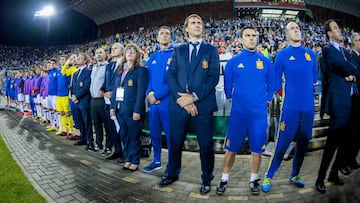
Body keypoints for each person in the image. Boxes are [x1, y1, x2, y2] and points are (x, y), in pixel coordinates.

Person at [159, 14, 220, 195]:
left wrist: (193, 97)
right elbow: (171, 75)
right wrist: (182, 100)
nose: (197, 25)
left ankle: (207, 178)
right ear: (186, 29)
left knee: (206, 144)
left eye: (199, 23)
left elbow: (213, 77)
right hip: (179, 105)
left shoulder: (211, 50)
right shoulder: (178, 50)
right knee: (175, 141)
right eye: (193, 23)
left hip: (203, 105)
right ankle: (172, 173)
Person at [216, 26, 275, 196]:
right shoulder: (234, 62)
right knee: (231, 149)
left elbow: (271, 83)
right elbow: (227, 85)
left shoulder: (265, 62)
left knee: (257, 149)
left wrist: (268, 98)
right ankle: (224, 178)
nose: (251, 38)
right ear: (240, 40)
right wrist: (231, 98)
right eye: (247, 35)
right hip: (238, 115)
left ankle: (253, 179)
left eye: (253, 35)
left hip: (258, 115)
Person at [261, 22, 318, 193]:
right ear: (286, 34)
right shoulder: (282, 55)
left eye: (298, 28)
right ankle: (269, 175)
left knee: (304, 141)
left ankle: (295, 174)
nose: (296, 30)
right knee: (282, 143)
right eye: (292, 28)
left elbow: (313, 81)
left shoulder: (311, 55)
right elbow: (276, 82)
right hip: (290, 108)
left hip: (308, 108)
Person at [315, 20, 358, 194]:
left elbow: (354, 68)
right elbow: (339, 65)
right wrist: (350, 71)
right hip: (339, 103)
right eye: (335, 29)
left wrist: (351, 73)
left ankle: (333, 173)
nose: (339, 31)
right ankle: (320, 178)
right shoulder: (328, 49)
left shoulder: (345, 51)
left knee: (345, 143)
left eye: (339, 28)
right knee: (332, 144)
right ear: (329, 34)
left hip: (352, 102)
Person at [110, 44, 148, 171]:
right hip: (120, 109)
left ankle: (135, 160)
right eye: (128, 51)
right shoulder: (120, 69)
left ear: (137, 54)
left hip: (133, 110)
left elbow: (141, 92)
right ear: (124, 54)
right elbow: (115, 90)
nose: (130, 53)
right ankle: (127, 158)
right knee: (124, 135)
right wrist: (112, 107)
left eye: (133, 51)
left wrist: (137, 110)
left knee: (134, 136)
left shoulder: (141, 70)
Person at [143, 26, 173, 173]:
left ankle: (172, 165)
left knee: (170, 135)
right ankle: (156, 161)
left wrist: (157, 96)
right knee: (154, 133)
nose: (165, 35)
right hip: (153, 104)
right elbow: (148, 81)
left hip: (167, 102)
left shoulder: (175, 55)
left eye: (167, 33)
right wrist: (149, 95)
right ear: (157, 38)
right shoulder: (153, 57)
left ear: (171, 37)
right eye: (162, 33)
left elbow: (174, 81)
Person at [101, 42, 125, 160]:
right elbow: (106, 82)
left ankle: (126, 153)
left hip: (120, 101)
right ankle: (117, 151)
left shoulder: (125, 64)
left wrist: (114, 94)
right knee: (111, 128)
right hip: (107, 101)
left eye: (116, 48)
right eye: (112, 48)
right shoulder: (109, 65)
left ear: (122, 51)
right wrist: (104, 90)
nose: (113, 50)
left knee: (121, 128)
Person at [90, 48, 112, 152]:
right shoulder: (93, 67)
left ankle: (108, 146)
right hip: (93, 99)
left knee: (107, 125)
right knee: (97, 123)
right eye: (97, 53)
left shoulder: (108, 66)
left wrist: (104, 89)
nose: (98, 54)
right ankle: (98, 144)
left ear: (105, 55)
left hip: (103, 99)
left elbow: (109, 81)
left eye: (100, 53)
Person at [71, 53, 94, 151]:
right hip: (76, 101)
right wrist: (72, 95)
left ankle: (90, 141)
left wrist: (77, 96)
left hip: (84, 100)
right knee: (80, 120)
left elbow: (86, 86)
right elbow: (73, 86)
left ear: (85, 61)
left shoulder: (88, 71)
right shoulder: (76, 73)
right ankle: (83, 138)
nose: (77, 59)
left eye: (79, 58)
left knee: (87, 121)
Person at [348, 32, 360, 170]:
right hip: (355, 99)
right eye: (358, 40)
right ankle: (349, 159)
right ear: (353, 42)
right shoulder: (350, 56)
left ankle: (353, 157)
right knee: (353, 131)